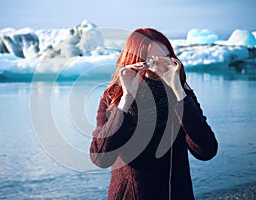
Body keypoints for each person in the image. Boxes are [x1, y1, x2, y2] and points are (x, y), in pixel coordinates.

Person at [89, 28, 218, 200]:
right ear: (134, 61)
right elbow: (100, 158)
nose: (158, 67)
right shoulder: (113, 98)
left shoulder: (182, 95)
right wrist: (126, 101)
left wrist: (179, 93)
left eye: (165, 59)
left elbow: (207, 150)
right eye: (150, 61)